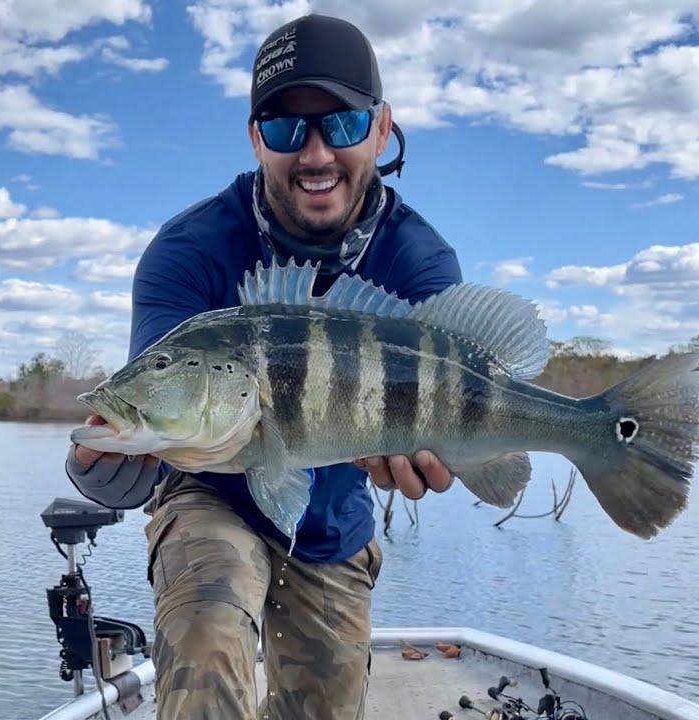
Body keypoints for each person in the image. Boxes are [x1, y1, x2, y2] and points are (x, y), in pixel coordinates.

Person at [64, 13, 464, 720]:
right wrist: (112, 466)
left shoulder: (420, 264)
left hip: (334, 519)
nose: (315, 153)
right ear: (255, 138)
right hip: (208, 494)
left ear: (381, 128)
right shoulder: (189, 250)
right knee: (207, 636)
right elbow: (156, 414)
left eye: (342, 123)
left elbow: (457, 406)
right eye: (285, 128)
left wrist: (448, 452)